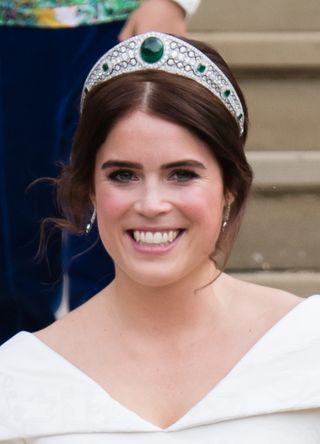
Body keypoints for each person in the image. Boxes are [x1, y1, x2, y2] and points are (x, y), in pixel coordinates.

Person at [1, 31, 320, 442]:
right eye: (123, 175)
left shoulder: (308, 344)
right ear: (91, 189)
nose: (152, 204)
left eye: (182, 174)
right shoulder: (21, 378)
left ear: (229, 189)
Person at [0, 0, 201, 345]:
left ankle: (112, 359)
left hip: (118, 23)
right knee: (12, 229)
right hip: (9, 29)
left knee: (119, 204)